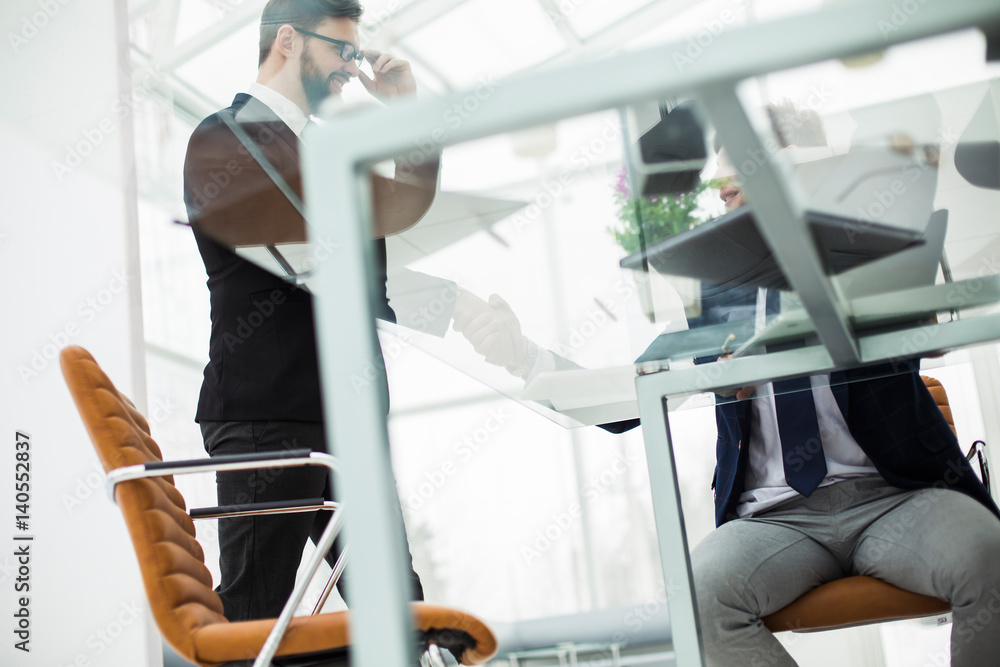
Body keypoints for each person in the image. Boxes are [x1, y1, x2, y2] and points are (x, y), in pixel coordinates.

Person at [453, 103, 1000, 666]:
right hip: (777, 520)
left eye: (741, 167)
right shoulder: (715, 299)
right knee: (695, 598)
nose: (722, 188)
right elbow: (624, 398)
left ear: (800, 168)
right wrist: (520, 356)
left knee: (987, 554)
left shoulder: (868, 258)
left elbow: (928, 334)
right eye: (720, 177)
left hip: (894, 498)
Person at [182, 0, 437, 621]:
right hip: (267, 416)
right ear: (289, 41)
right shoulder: (223, 135)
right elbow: (312, 247)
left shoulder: (330, 146)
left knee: (397, 611)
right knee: (255, 617)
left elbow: (401, 221)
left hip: (344, 414)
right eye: (341, 51)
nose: (353, 69)